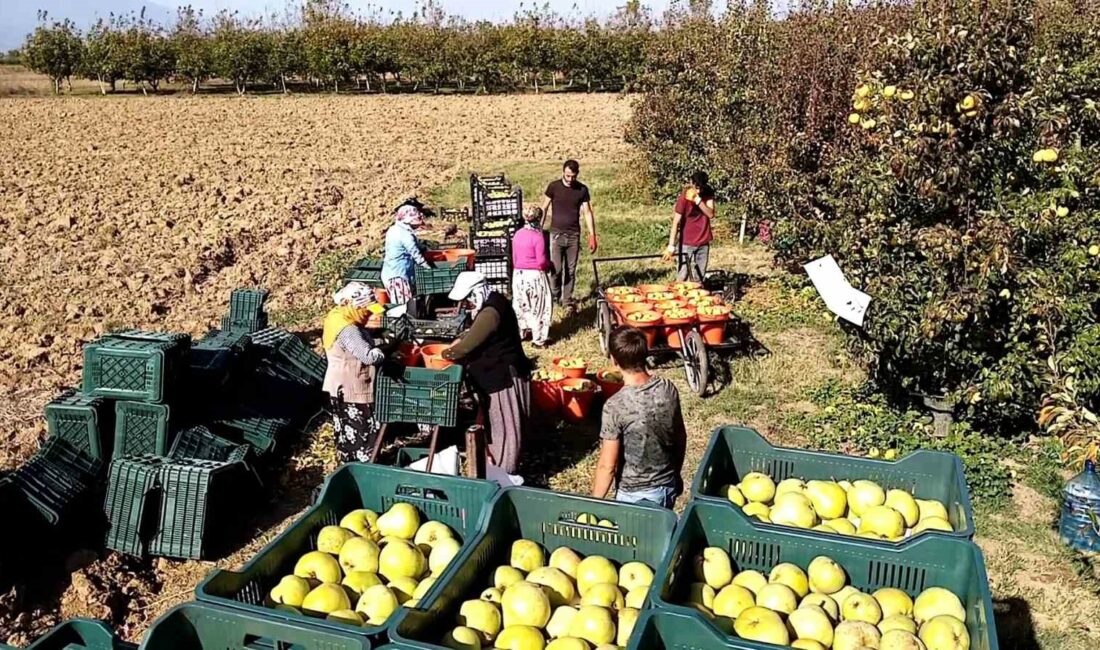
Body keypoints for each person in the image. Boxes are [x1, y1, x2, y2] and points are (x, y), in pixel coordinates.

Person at [442, 271, 532, 474]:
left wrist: (446, 353)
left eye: (467, 301)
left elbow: (465, 348)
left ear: (476, 293)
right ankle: (497, 464)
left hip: (502, 376)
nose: (465, 306)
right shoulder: (495, 300)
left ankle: (503, 472)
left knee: (504, 427)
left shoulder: (490, 313)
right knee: (500, 423)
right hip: (500, 370)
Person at [591, 326, 687, 508]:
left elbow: (607, 466)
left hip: (634, 495)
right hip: (667, 485)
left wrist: (593, 503)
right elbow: (680, 436)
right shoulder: (667, 388)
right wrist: (676, 473)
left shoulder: (615, 406)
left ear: (614, 360)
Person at [322, 283, 388, 463]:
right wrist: (385, 350)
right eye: (366, 310)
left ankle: (347, 461)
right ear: (354, 305)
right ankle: (365, 465)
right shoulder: (348, 330)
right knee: (360, 431)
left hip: (339, 384)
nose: (369, 314)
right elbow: (368, 356)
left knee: (345, 429)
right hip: (351, 387)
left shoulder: (337, 315)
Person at [542, 159, 598, 313]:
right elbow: (545, 207)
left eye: (573, 176)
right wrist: (538, 229)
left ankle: (567, 300)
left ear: (577, 174)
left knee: (571, 270)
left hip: (573, 235)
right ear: (563, 173)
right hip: (556, 234)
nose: (570, 179)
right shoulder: (554, 187)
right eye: (567, 176)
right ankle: (555, 296)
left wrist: (592, 235)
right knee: (556, 269)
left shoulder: (582, 190)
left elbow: (587, 212)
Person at [511, 205, 553, 347]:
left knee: (521, 305)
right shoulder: (538, 237)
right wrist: (549, 265)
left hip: (518, 274)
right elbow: (541, 261)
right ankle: (539, 339)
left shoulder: (517, 234)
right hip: (534, 276)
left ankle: (521, 332)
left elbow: (515, 258)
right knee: (539, 307)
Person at [664, 171, 717, 281]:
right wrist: (671, 246)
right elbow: (676, 222)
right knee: (682, 274)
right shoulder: (683, 198)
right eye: (696, 187)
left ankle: (696, 295)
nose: (697, 191)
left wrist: (698, 201)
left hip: (703, 240)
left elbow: (710, 214)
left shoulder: (707, 194)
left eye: (700, 188)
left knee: (699, 275)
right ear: (691, 183)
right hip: (687, 242)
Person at [382, 203, 432, 313]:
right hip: (397, 277)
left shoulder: (394, 229)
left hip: (392, 272)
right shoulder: (405, 235)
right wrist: (429, 269)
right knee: (404, 308)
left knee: (408, 305)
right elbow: (416, 255)